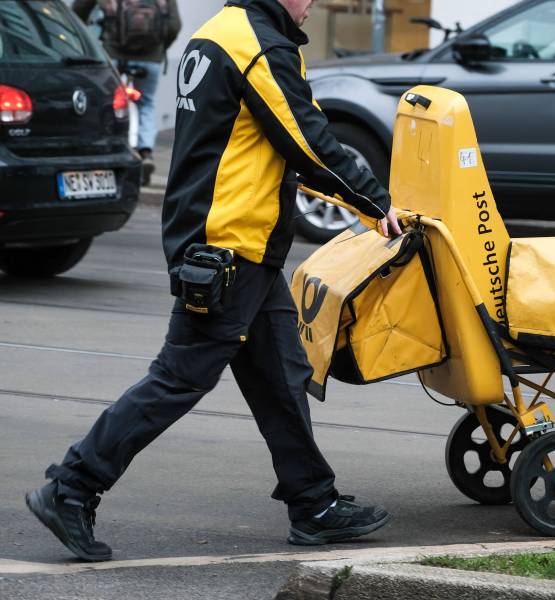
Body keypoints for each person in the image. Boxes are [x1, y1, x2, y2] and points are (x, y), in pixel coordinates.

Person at [27, 0, 402, 562]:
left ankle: (313, 503)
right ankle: (72, 486)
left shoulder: (216, 33)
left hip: (235, 246)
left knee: (280, 376)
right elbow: (306, 138)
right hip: (229, 247)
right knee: (178, 379)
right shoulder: (258, 45)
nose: (315, 3)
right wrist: (378, 204)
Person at [72, 0, 183, 186]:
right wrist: (160, 47)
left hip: (113, 54)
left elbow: (79, 9)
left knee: (106, 102)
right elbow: (175, 25)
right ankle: (146, 152)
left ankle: (104, 147)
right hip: (150, 58)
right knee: (146, 103)